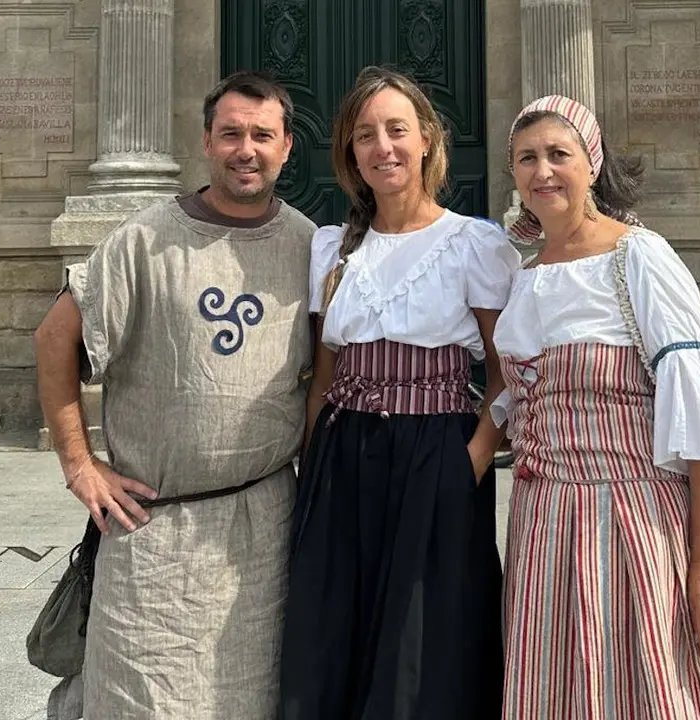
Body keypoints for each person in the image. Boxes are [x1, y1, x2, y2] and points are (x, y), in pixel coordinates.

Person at [33, 70, 315, 719]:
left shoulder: (307, 245)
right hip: (152, 533)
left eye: (262, 136)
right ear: (207, 142)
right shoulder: (145, 239)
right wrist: (79, 463)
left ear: (287, 147)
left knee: (251, 700)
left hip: (261, 531)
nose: (247, 149)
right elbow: (55, 338)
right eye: (232, 134)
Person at [492, 94, 700, 718]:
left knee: (641, 692)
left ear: (593, 162)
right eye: (526, 158)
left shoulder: (638, 257)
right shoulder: (524, 273)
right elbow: (517, 403)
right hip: (540, 528)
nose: (543, 171)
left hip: (632, 522)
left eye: (559, 153)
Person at [278, 66, 517, 720]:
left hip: (434, 452)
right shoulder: (332, 249)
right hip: (343, 455)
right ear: (349, 155)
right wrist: (310, 470)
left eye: (396, 130)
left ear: (427, 140)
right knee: (333, 625)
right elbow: (323, 380)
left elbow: (503, 373)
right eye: (365, 135)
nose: (382, 146)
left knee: (423, 635)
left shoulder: (474, 244)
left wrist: (469, 459)